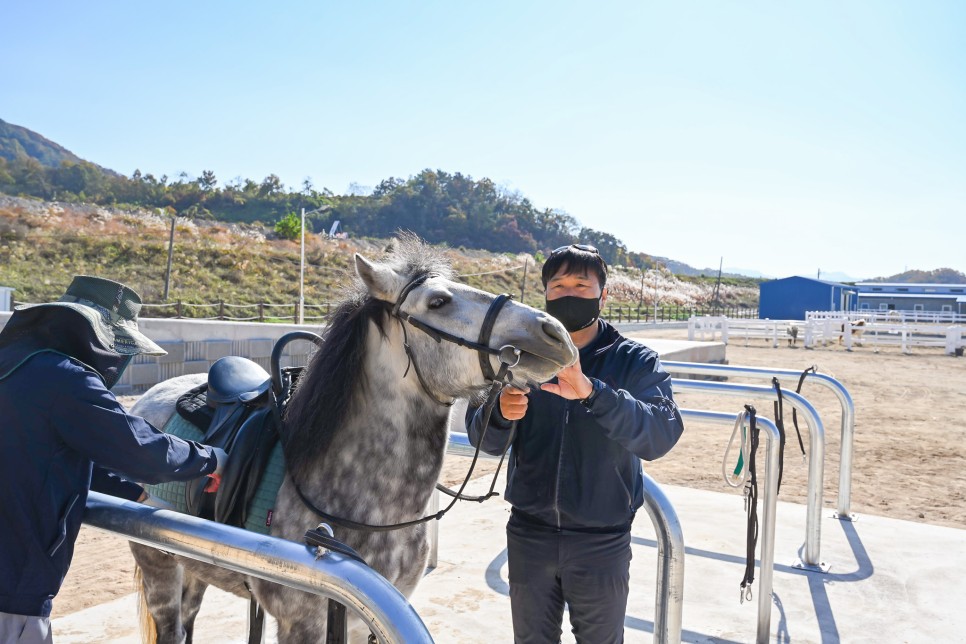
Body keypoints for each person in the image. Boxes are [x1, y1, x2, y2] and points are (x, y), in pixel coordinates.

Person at [467, 244, 685, 644]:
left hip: (602, 540)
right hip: (528, 533)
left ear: (604, 295)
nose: (569, 293)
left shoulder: (635, 361)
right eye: (559, 285)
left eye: (582, 285)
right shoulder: (517, 357)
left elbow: (661, 433)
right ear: (546, 294)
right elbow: (486, 441)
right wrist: (500, 412)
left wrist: (592, 392)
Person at [0, 276, 227, 643]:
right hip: (11, 590)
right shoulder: (65, 381)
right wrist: (210, 459)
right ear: (93, 338)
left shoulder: (14, 367)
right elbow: (141, 451)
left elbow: (47, 453)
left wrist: (133, 494)